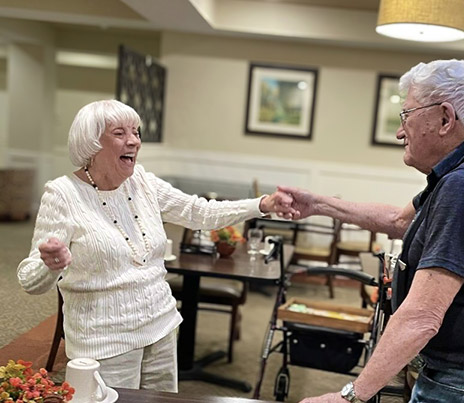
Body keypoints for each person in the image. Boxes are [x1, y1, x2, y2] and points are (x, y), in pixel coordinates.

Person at [284, 60, 464, 402]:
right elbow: (401, 220)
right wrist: (318, 205)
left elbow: (422, 316)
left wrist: (351, 395)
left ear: (444, 118)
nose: (399, 131)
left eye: (405, 115)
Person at [17, 100, 295, 393]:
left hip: (161, 326)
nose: (134, 141)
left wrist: (262, 204)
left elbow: (199, 212)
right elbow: (29, 281)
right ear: (91, 142)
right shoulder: (62, 195)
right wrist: (51, 264)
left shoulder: (142, 182)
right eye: (120, 133)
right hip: (104, 339)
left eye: (136, 132)